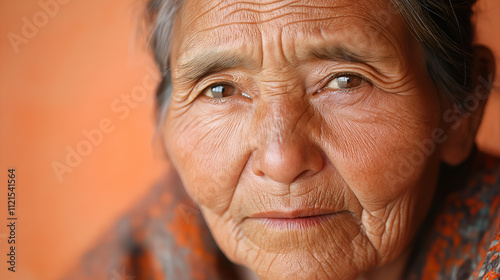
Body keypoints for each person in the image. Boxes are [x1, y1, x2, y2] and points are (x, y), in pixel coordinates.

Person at [64, 0, 499, 279]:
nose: (281, 159)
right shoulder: (134, 262)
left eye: (345, 81)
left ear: (462, 111)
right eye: (220, 89)